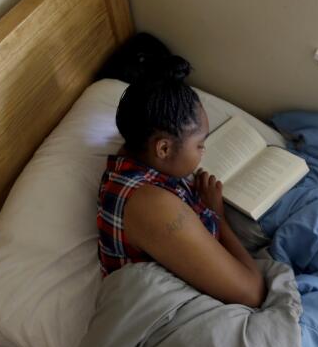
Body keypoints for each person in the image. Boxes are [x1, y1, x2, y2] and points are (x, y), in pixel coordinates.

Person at [97, 78, 267, 308]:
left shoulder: (134, 155)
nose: (203, 151)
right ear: (164, 148)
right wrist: (218, 216)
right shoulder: (152, 206)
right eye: (199, 144)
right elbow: (252, 293)